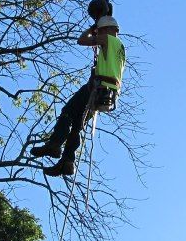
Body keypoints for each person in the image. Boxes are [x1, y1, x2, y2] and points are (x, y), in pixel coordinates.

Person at [32, 15, 125, 177]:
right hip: (108, 93)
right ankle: (67, 163)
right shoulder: (120, 47)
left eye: (101, 31)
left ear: (107, 29)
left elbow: (81, 40)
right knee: (77, 125)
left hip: (97, 87)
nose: (99, 34)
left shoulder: (108, 39)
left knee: (67, 112)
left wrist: (92, 29)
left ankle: (54, 144)